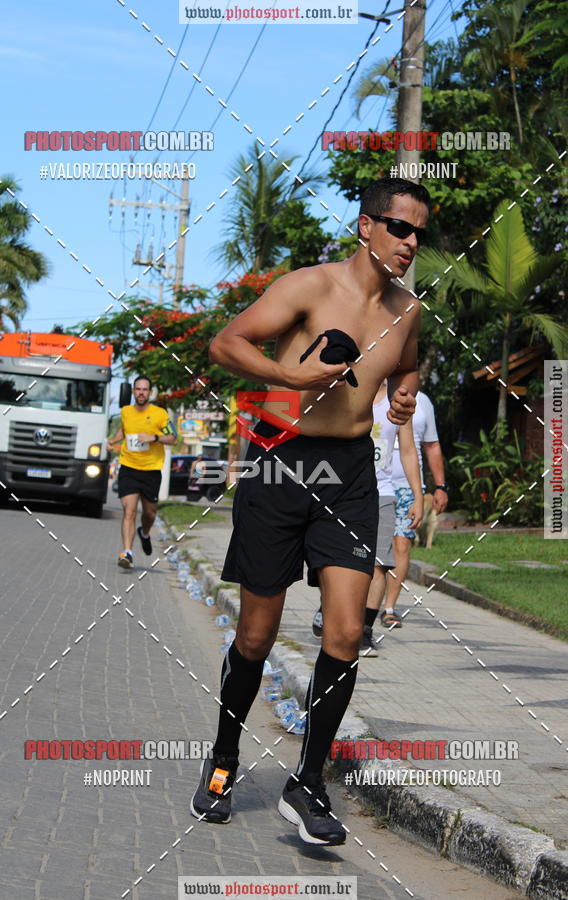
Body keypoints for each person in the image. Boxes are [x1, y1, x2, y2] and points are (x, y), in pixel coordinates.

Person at [190, 177, 429, 846]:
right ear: (366, 226)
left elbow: (408, 367)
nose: (410, 243)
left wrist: (405, 397)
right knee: (256, 638)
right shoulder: (309, 287)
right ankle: (224, 759)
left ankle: (308, 782)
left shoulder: (407, 311)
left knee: (347, 633)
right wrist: (293, 378)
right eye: (399, 228)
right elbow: (226, 344)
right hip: (280, 461)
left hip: (349, 472)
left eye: (419, 233)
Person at [311, 380, 423, 653]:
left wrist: (418, 495)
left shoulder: (397, 402)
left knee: (379, 564)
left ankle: (365, 631)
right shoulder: (344, 393)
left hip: (381, 494)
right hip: (341, 493)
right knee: (335, 560)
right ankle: (328, 607)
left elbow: (408, 451)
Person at [381, 391, 448, 627]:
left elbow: (431, 445)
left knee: (401, 545)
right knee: (373, 549)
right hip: (375, 484)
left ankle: (389, 607)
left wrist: (440, 486)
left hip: (408, 486)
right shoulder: (374, 391)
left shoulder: (423, 401)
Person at [107, 375, 176, 568]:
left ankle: (144, 533)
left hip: (151, 470)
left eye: (145, 389)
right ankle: (127, 552)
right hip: (128, 467)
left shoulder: (160, 414)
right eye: (138, 389)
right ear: (133, 392)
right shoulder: (126, 411)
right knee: (129, 511)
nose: (141, 393)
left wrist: (154, 437)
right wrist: (113, 440)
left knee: (149, 514)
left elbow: (173, 438)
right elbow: (124, 430)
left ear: (150, 392)